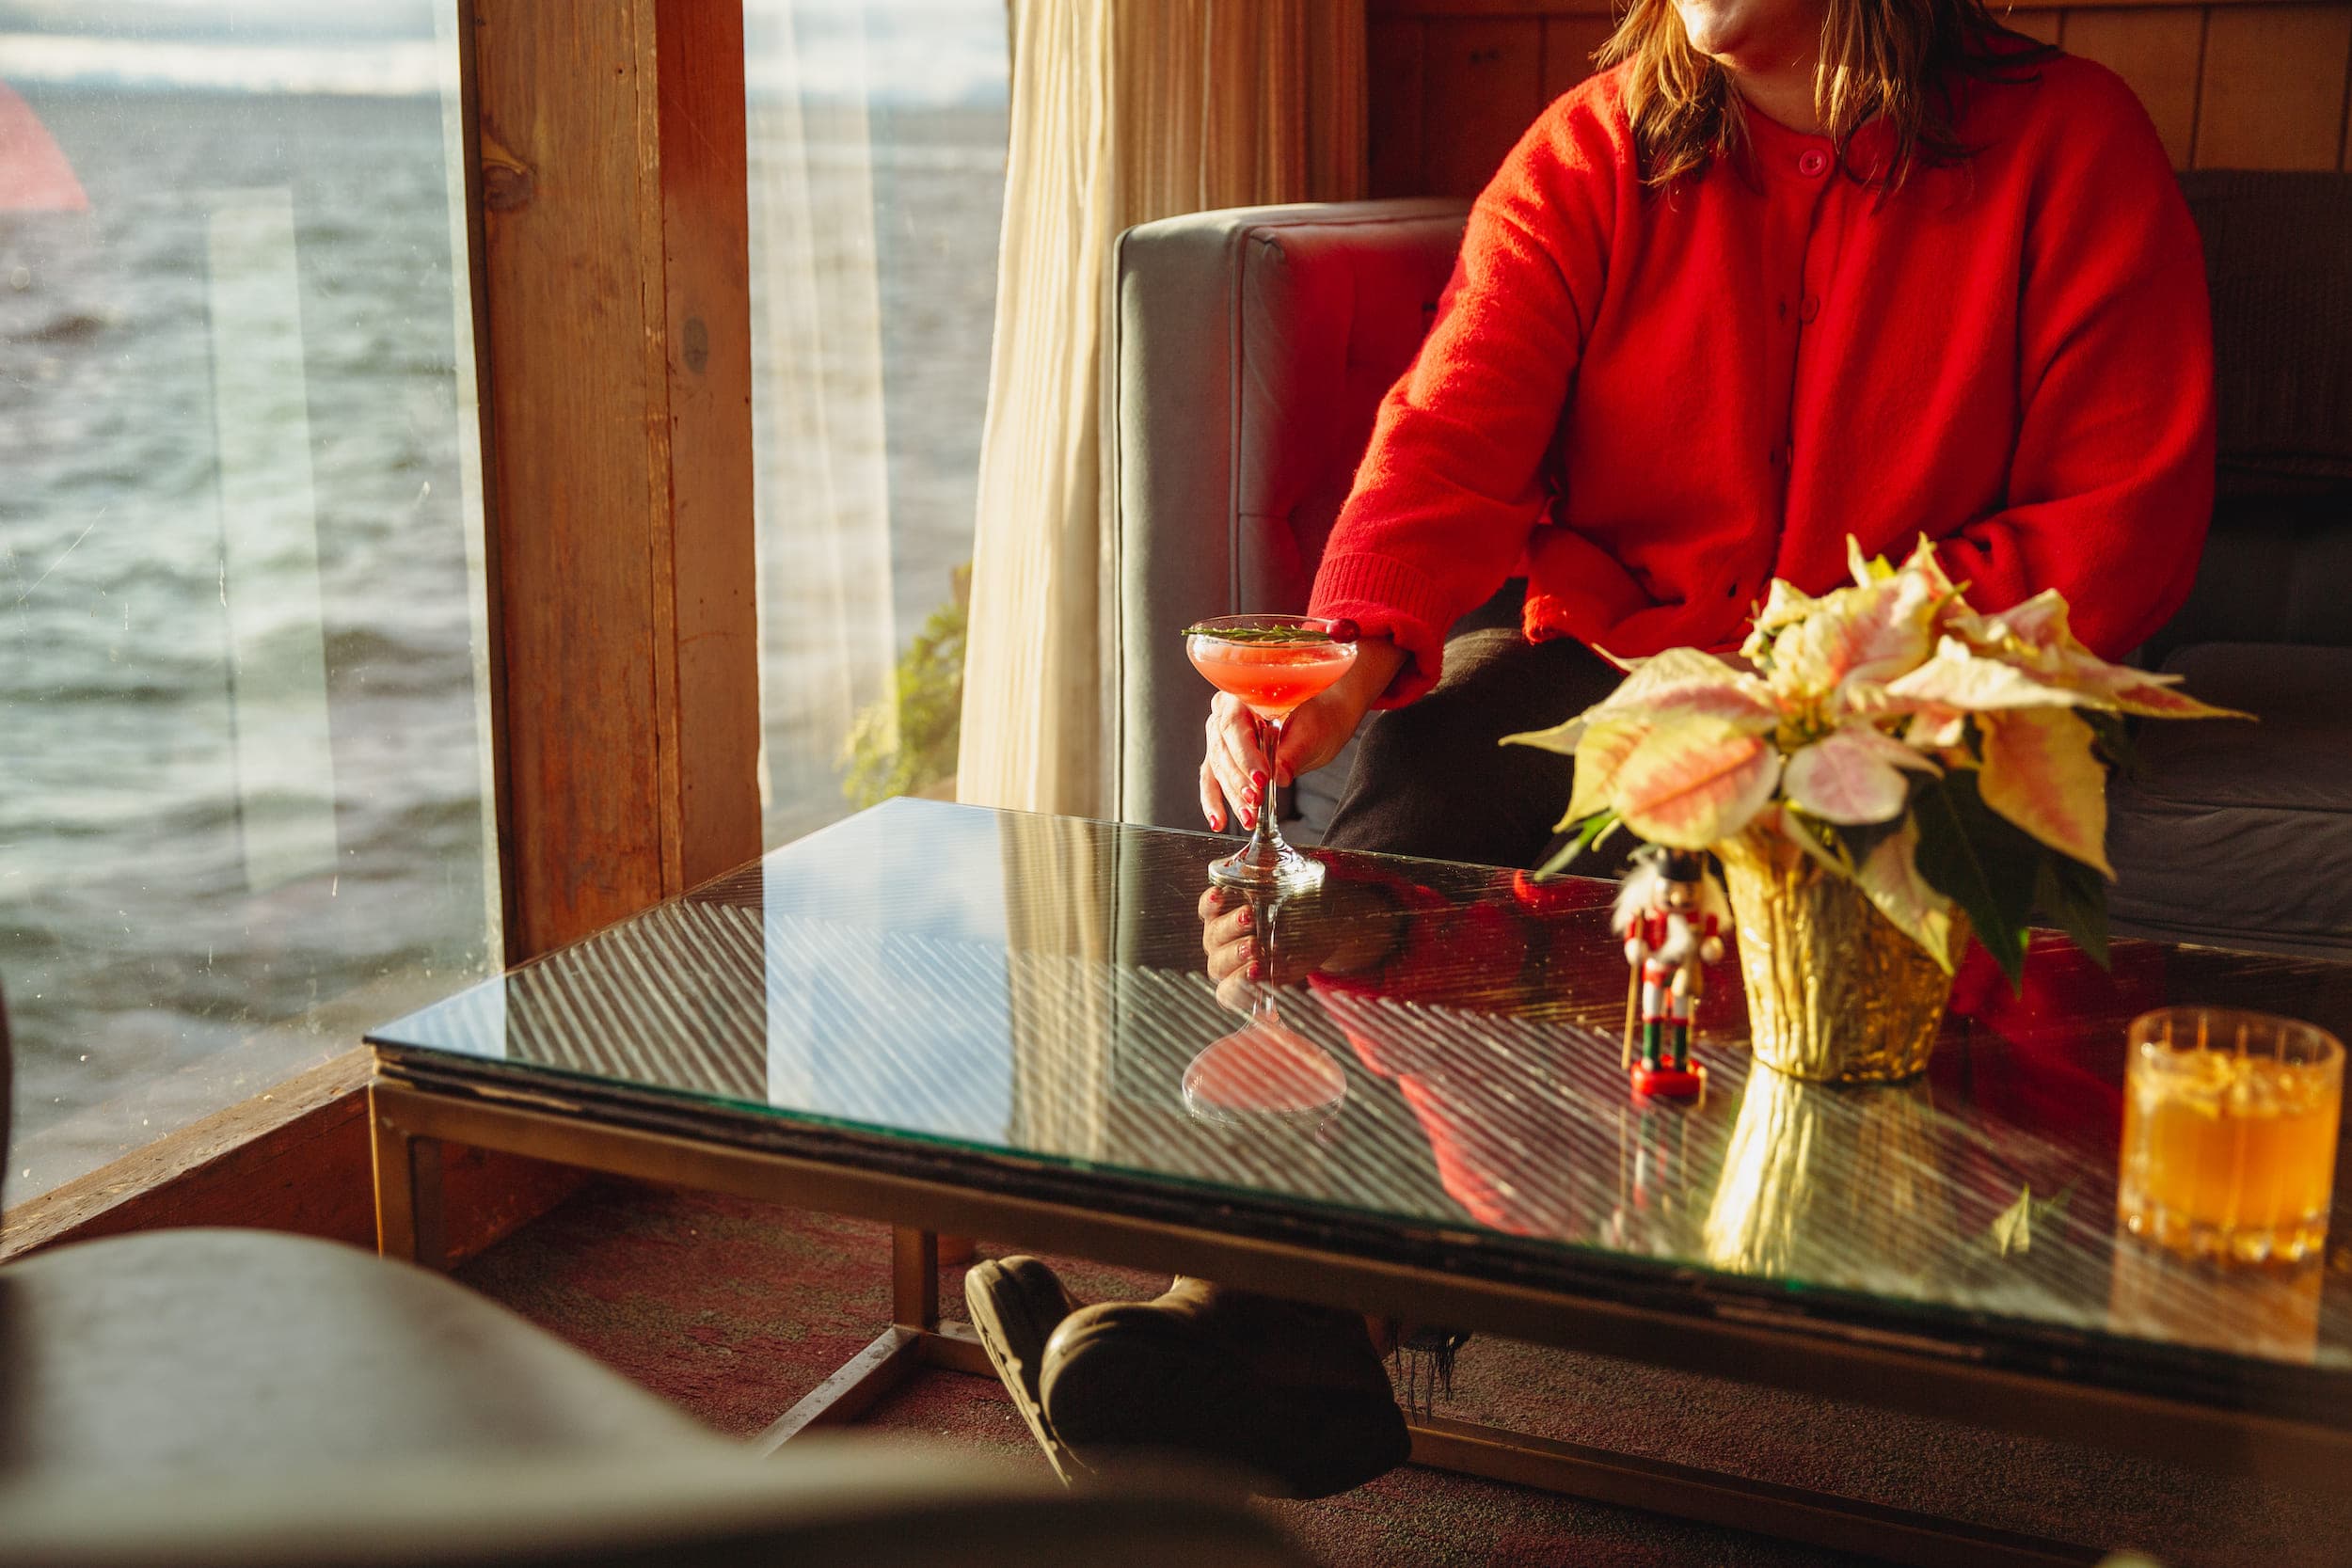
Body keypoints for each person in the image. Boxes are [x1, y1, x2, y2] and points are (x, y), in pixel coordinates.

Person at [967, 0, 2215, 1497]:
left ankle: (1289, 1337)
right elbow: (1450, 436)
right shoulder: (1592, 145)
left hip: (1932, 690)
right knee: (1409, 781)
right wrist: (1348, 665)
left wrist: (1842, 669)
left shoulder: (2077, 144)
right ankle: (1270, 1306)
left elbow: (2120, 513)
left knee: (1858, 860)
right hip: (1628, 663)